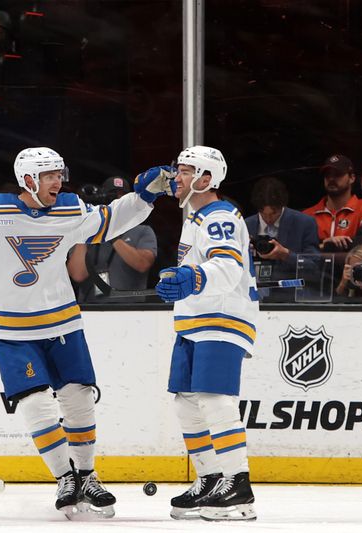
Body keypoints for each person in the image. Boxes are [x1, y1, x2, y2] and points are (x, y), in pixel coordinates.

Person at [0, 147, 173, 518]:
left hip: (63, 323)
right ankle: (65, 477)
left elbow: (109, 220)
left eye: (59, 174)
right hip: (11, 330)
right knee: (36, 403)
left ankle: (87, 475)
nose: (58, 181)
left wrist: (144, 198)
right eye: (49, 176)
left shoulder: (69, 209)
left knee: (78, 398)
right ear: (28, 180)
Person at [154, 146, 258, 522]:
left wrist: (192, 277)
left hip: (223, 316)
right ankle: (212, 478)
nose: (176, 178)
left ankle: (238, 485)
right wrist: (184, 282)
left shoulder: (220, 216)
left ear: (206, 178)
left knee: (214, 398)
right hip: (195, 319)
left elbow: (227, 268)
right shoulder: (195, 216)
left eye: (184, 171)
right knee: (185, 400)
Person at [67, 176, 157, 302]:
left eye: (122, 197)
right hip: (91, 308)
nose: (118, 201)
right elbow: (78, 275)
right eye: (113, 196)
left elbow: (142, 264)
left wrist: (110, 230)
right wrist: (86, 224)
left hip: (131, 309)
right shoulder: (87, 231)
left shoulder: (143, 231)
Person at [245, 176, 319, 300]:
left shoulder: (304, 223)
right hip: (253, 298)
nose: (268, 219)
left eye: (273, 213)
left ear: (282, 206)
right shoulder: (245, 225)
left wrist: (286, 255)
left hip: (291, 298)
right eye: (263, 214)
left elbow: (315, 267)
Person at [303, 154, 362, 252]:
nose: (331, 179)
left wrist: (325, 245)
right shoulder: (307, 215)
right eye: (328, 175)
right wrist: (325, 244)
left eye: (338, 174)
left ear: (352, 178)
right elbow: (296, 249)